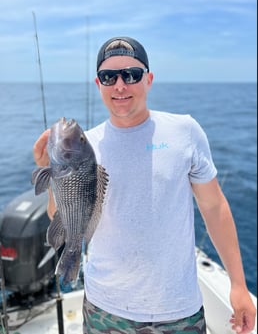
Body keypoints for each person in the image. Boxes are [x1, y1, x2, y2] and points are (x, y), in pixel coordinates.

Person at [33, 36, 256, 334]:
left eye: (132, 74)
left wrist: (238, 285)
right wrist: (50, 174)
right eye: (109, 77)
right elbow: (56, 214)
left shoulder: (185, 131)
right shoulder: (89, 143)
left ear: (149, 79)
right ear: (98, 84)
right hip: (104, 307)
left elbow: (214, 207)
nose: (120, 85)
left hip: (178, 311)